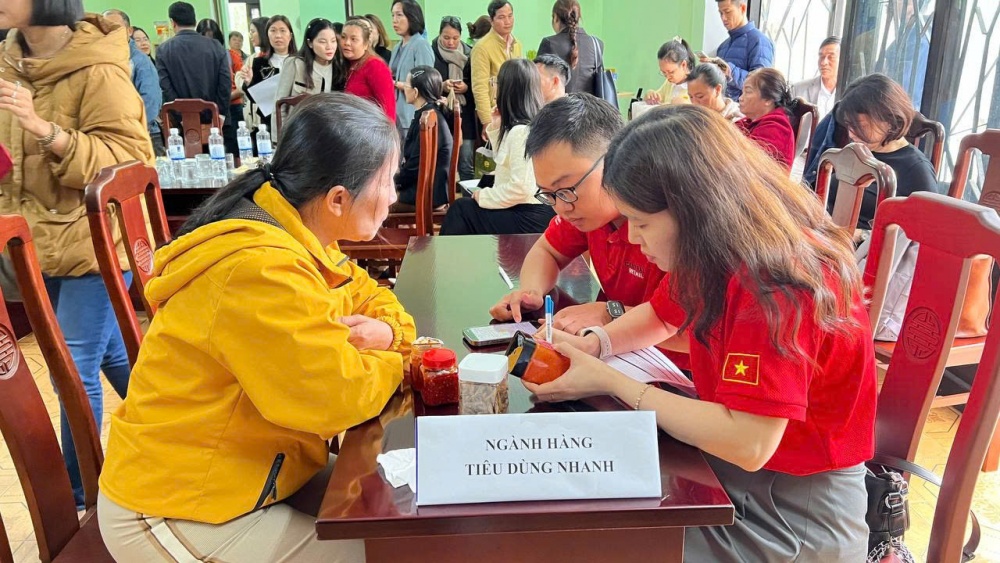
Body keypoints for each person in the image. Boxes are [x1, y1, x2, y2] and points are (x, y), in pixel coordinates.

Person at [525, 104, 875, 562]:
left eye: (642, 223)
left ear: (693, 208)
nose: (632, 239)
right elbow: (661, 316)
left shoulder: (775, 280)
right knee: (589, 509)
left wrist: (611, 380)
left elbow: (749, 443)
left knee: (603, 541)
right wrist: (596, 345)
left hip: (792, 509)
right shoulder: (716, 245)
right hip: (733, 469)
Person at [98, 93, 413, 562]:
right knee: (382, 553)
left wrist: (388, 335)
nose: (393, 196)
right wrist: (400, 358)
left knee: (401, 516)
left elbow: (372, 297)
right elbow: (336, 397)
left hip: (260, 472)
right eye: (387, 181)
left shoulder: (298, 232)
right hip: (177, 507)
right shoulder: (260, 268)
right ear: (338, 199)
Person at [0, 0, 153, 510]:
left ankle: (81, 494)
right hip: (34, 244)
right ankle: (179, 429)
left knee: (72, 365)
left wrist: (45, 130)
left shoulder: (99, 68)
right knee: (109, 353)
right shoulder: (8, 62)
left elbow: (129, 164)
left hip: (95, 242)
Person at [490, 94, 687, 365]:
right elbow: (547, 250)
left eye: (566, 189)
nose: (560, 207)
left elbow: (691, 329)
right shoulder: (589, 214)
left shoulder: (671, 223)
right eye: (548, 194)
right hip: (616, 354)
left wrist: (611, 314)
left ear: (616, 158)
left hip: (675, 369)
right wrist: (532, 292)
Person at [440, 59, 552, 235]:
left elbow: (521, 188)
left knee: (461, 210)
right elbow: (504, 163)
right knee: (466, 207)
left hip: (528, 216)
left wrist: (484, 196)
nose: (494, 89)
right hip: (529, 210)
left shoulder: (521, 132)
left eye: (496, 83)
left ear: (507, 90)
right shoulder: (526, 126)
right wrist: (497, 124)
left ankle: (444, 254)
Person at [830, 73, 939, 230]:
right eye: (849, 124)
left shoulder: (917, 170)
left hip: (866, 243)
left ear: (891, 121)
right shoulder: (858, 151)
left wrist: (862, 235)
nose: (851, 133)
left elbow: (926, 233)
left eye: (861, 126)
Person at [156, 3, 232, 151]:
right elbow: (225, 83)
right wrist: (220, 114)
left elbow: (166, 88)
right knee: (220, 160)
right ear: (195, 21)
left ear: (172, 22)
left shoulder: (163, 50)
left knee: (188, 162)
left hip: (182, 125)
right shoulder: (215, 46)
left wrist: (181, 117)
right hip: (216, 119)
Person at [103, 9, 164, 156]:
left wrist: (132, 129)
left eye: (116, 27)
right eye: (105, 28)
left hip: (143, 135)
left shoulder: (140, 61)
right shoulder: (104, 60)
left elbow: (151, 101)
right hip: (113, 137)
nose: (110, 32)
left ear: (129, 31)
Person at [395, 66, 453, 212]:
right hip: (432, 190)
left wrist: (391, 181)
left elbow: (415, 167)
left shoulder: (428, 119)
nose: (404, 87)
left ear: (415, 92)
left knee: (375, 200)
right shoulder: (432, 113)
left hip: (427, 194)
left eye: (406, 84)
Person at [433, 15, 477, 181]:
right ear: (439, 35)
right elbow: (427, 83)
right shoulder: (432, 52)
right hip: (442, 114)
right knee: (442, 163)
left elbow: (478, 84)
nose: (451, 42)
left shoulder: (470, 53)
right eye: (446, 38)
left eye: (455, 38)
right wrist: (442, 86)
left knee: (466, 162)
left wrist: (466, 88)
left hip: (465, 114)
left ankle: (467, 195)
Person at [242, 15, 297, 141]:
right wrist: (249, 83)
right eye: (273, 31)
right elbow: (255, 99)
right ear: (267, 35)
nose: (278, 35)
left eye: (282, 31)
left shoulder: (300, 61)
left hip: (295, 118)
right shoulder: (259, 63)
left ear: (290, 35)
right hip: (269, 121)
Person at [471, 0, 522, 127]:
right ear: (492, 20)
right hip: (494, 113)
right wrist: (486, 121)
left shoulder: (517, 44)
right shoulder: (482, 47)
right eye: (501, 17)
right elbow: (479, 87)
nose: (507, 21)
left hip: (515, 111)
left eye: (510, 16)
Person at [536, 0, 602, 96]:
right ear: (578, 17)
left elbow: (536, 83)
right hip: (590, 105)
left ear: (555, 18)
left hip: (559, 105)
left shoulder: (549, 43)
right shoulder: (596, 44)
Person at [389, 0, 435, 138]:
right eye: (392, 15)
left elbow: (425, 84)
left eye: (399, 15)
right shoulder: (397, 47)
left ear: (412, 17)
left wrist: (396, 84)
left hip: (412, 115)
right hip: (395, 114)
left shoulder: (421, 45)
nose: (394, 20)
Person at [713, 0, 774, 101]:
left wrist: (730, 71)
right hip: (722, 106)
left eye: (727, 12)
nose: (723, 18)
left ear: (742, 8)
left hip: (745, 108)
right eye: (720, 13)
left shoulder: (760, 41)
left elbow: (762, 85)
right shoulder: (723, 46)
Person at [737, 68, 797, 172]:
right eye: (743, 92)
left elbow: (743, 164)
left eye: (748, 92)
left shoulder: (776, 128)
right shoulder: (751, 121)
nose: (740, 98)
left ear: (768, 99)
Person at [197, 18, 241, 156]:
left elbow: (242, 85)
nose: (210, 44)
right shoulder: (196, 58)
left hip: (231, 108)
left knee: (231, 151)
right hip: (205, 111)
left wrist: (223, 99)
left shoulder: (231, 56)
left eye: (213, 39)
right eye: (205, 39)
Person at [342, 18, 395, 122]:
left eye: (353, 39)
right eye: (343, 37)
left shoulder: (375, 66)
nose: (347, 43)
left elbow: (389, 111)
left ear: (366, 44)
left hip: (371, 129)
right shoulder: (347, 64)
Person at [276, 18, 344, 100]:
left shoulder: (338, 67)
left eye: (333, 41)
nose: (329, 47)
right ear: (310, 43)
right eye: (322, 42)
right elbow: (280, 101)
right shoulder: (295, 63)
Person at [792, 36, 840, 122]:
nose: (823, 62)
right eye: (821, 56)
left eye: (831, 57)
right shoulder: (798, 90)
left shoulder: (849, 94)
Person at [645, 37, 695, 106]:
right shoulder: (669, 83)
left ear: (683, 65)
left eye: (671, 72)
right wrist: (651, 95)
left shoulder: (695, 86)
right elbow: (658, 97)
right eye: (664, 73)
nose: (668, 77)